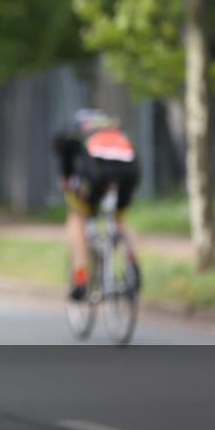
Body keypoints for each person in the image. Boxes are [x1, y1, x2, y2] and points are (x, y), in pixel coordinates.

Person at [52, 108, 141, 301]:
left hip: (96, 172)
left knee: (77, 217)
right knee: (118, 219)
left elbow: (64, 149)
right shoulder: (113, 126)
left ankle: (81, 278)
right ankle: (132, 265)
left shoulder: (74, 126)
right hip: (130, 170)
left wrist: (67, 178)